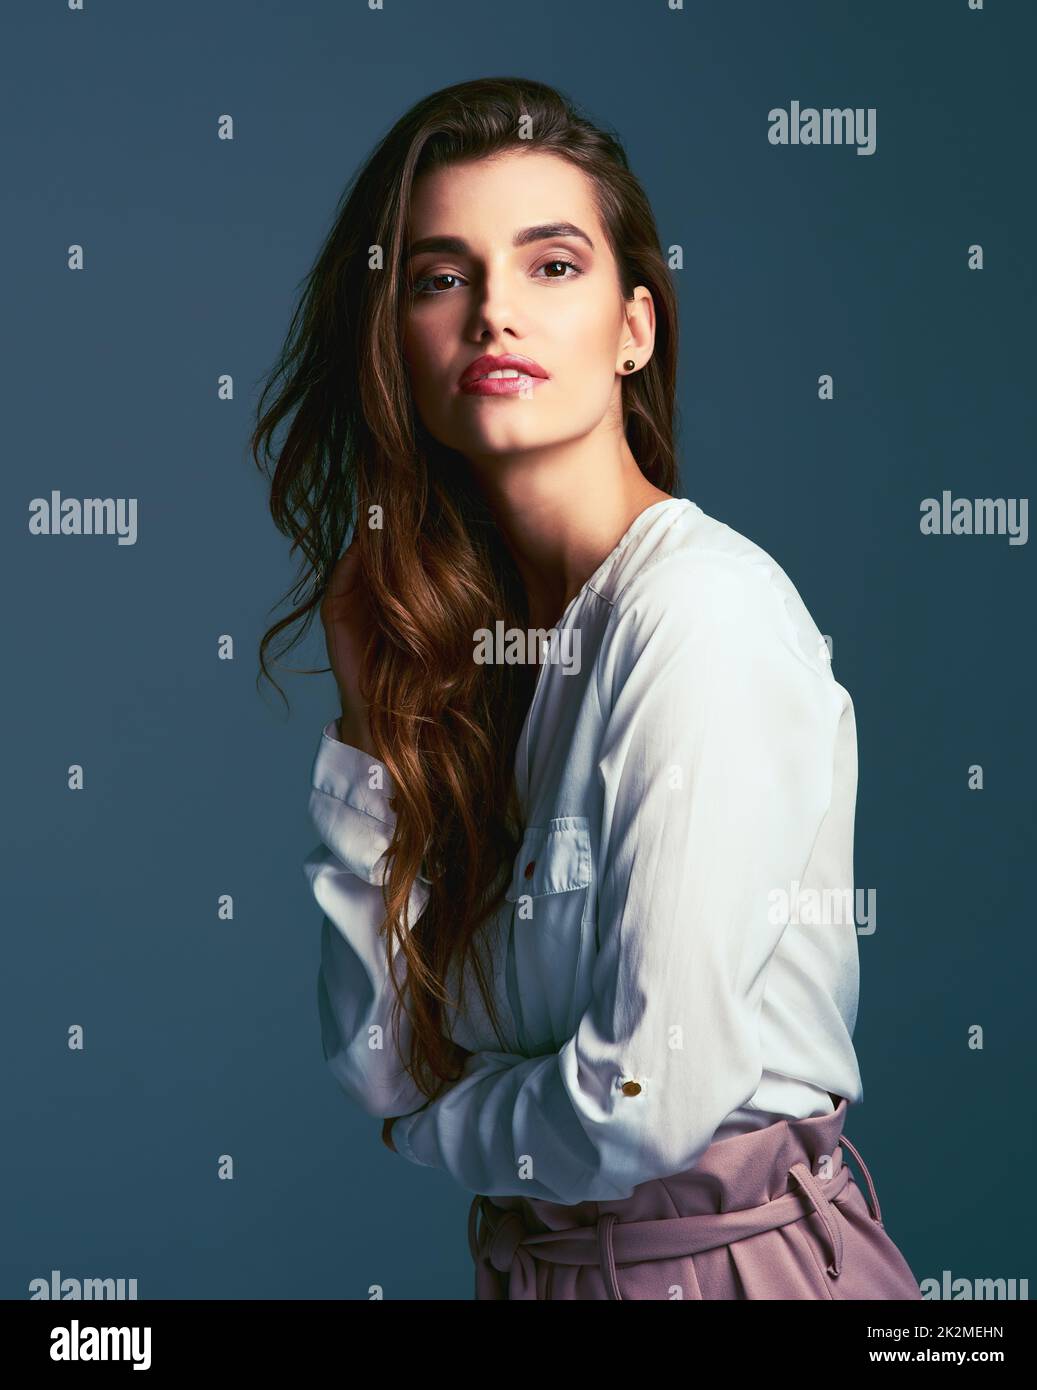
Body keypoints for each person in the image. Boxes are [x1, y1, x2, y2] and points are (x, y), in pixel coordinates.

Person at [252, 76, 922, 1300]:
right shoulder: (479, 657)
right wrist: (366, 728)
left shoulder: (699, 614)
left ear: (634, 328)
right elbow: (372, 1054)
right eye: (440, 276)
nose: (495, 311)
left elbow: (646, 1097)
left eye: (553, 266)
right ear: (395, 337)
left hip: (728, 1273)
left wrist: (438, 1123)